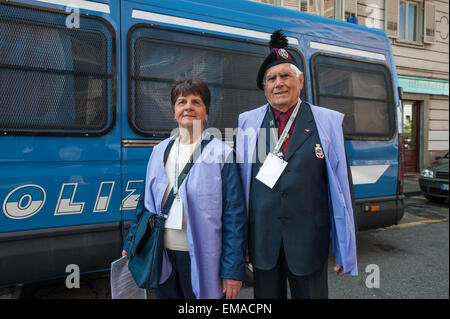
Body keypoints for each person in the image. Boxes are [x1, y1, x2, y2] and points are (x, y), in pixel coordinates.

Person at [235, 30, 357, 299]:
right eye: (271, 78)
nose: (278, 83)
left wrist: (344, 246)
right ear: (264, 86)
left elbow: (342, 190)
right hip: (263, 243)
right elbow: (238, 190)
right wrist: (238, 245)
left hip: (309, 244)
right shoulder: (248, 123)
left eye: (285, 75)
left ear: (300, 81)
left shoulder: (327, 122)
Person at [123, 79, 247, 299]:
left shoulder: (222, 154)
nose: (188, 106)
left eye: (196, 102)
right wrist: (132, 242)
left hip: (202, 258)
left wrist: (232, 270)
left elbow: (235, 217)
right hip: (161, 255)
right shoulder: (159, 151)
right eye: (182, 102)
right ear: (174, 111)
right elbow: (144, 203)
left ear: (206, 113)